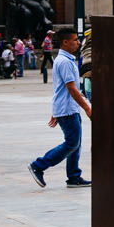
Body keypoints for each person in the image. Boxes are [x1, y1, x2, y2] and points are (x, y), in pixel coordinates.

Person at [29, 27, 93, 187]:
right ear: (65, 42)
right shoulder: (64, 61)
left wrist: (57, 110)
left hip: (67, 108)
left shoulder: (66, 59)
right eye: (75, 40)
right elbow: (71, 88)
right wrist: (86, 107)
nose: (78, 43)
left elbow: (62, 89)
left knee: (75, 143)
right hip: (68, 109)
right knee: (72, 143)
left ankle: (73, 177)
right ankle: (38, 166)